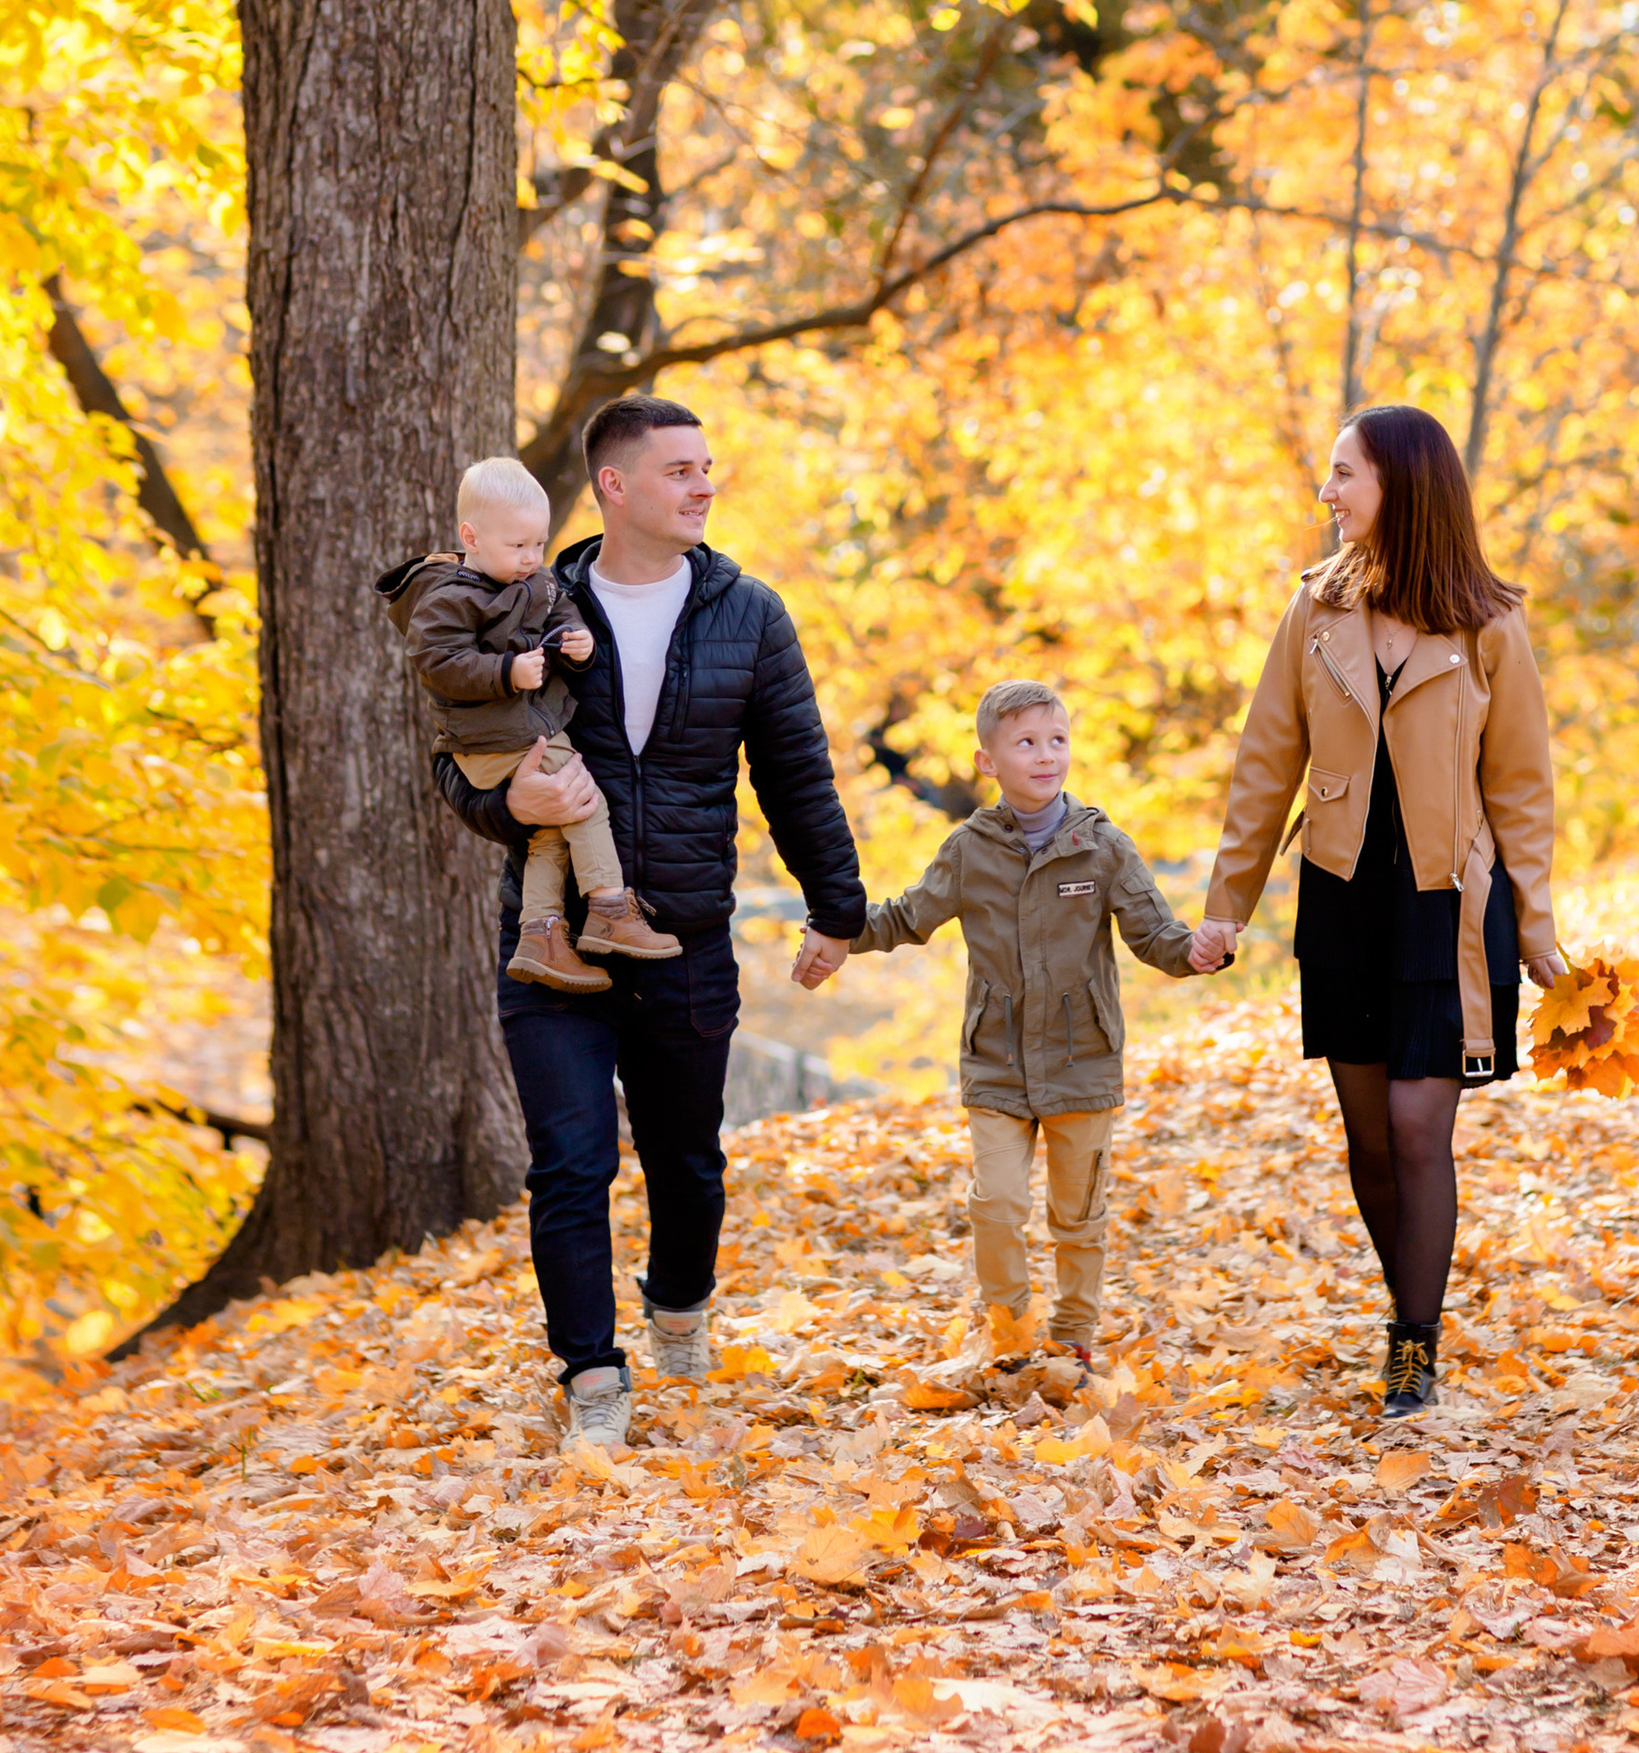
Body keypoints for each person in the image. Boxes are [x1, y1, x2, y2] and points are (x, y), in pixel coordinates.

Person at [435, 395, 865, 1449]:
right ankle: (592, 1375)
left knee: (686, 1162)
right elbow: (459, 756)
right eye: (680, 470)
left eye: (706, 467)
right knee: (569, 1163)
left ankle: (679, 1303)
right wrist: (508, 806)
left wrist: (836, 908)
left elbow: (796, 772)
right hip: (552, 945)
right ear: (615, 486)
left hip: (684, 937)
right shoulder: (528, 603)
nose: (704, 486)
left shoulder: (747, 613)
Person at [1200, 403, 1565, 1421]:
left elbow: (1523, 789)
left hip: (1450, 910)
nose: (1327, 492)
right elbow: (1265, 763)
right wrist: (1228, 907)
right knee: (1368, 1140)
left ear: (1399, 485)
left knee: (1415, 1129)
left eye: (1343, 474)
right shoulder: (1314, 610)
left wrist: (1537, 930)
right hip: (1344, 900)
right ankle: (1406, 1308)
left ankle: (1414, 1343)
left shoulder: (1489, 623)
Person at [795, 678, 1228, 1394]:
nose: (1046, 755)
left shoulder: (1102, 848)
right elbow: (905, 917)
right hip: (996, 1060)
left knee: (1078, 1216)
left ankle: (1073, 1337)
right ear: (988, 761)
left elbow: (1157, 936)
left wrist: (1199, 952)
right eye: (1026, 743)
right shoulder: (970, 850)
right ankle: (1011, 1333)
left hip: (1082, 1060)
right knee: (996, 1204)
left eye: (1057, 740)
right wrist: (838, 933)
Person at [379, 453, 667, 995]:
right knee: (584, 801)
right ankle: (609, 908)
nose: (532, 557)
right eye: (518, 545)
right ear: (472, 537)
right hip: (489, 738)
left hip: (528, 731)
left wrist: (578, 644)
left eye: (539, 543)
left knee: (550, 833)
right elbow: (438, 663)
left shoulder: (536, 580)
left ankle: (539, 935)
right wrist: (506, 672)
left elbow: (560, 613)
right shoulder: (446, 599)